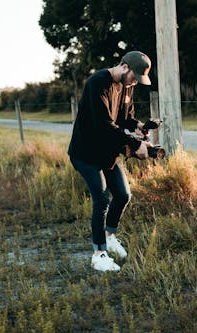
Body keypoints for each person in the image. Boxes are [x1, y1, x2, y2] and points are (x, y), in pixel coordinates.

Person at [68, 51, 153, 272]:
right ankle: (99, 254)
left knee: (124, 195)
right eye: (134, 77)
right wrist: (135, 146)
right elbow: (104, 126)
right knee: (102, 198)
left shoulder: (126, 86)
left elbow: (126, 116)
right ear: (124, 67)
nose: (134, 82)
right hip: (86, 154)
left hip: (108, 153)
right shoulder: (98, 83)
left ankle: (110, 237)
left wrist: (139, 127)